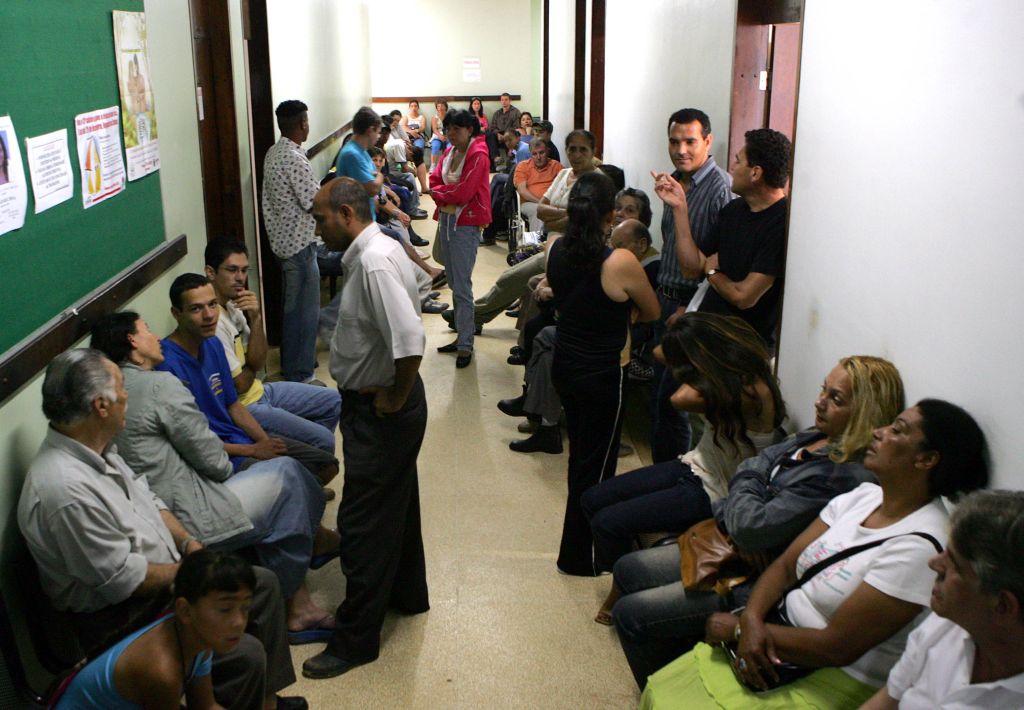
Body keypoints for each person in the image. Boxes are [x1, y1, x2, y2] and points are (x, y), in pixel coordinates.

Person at [640, 399, 990, 708]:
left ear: (926, 459)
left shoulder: (920, 545)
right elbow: (786, 567)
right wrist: (751, 619)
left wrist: (739, 629)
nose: (879, 432)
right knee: (662, 687)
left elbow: (836, 647)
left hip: (829, 676)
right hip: (772, 629)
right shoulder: (864, 496)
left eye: (897, 430)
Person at [17, 349, 306, 709]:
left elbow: (151, 500)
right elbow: (122, 580)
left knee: (260, 583)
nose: (126, 395)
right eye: (121, 388)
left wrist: (189, 544)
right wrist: (191, 573)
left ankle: (265, 701)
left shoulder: (97, 449)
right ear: (101, 405)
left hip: (159, 584)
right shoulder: (64, 489)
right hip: (122, 614)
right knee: (243, 652)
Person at [613, 356, 906, 688]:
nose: (819, 402)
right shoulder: (815, 436)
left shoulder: (844, 474)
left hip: (751, 577)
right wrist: (744, 498)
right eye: (823, 390)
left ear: (866, 412)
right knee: (629, 570)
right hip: (732, 542)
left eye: (835, 398)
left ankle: (664, 690)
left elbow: (753, 523)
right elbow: (750, 467)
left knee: (631, 615)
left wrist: (746, 494)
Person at [90, 311, 340, 644]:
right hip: (187, 515)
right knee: (287, 474)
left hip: (156, 514)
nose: (155, 336)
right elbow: (215, 463)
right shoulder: (160, 384)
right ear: (133, 342)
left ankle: (314, 548)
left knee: (287, 474)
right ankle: (300, 605)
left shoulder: (108, 395)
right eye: (147, 329)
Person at [302, 177, 429, 679]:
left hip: (382, 409)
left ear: (347, 215)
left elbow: (410, 337)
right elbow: (415, 297)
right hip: (384, 403)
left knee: (362, 525)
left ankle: (356, 640)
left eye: (320, 218)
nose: (317, 228)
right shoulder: (379, 249)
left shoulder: (373, 261)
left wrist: (394, 396)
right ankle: (407, 595)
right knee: (397, 503)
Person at [583, 313, 787, 583]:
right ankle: (631, 566)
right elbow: (659, 352)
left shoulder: (749, 390)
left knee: (607, 523)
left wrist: (693, 355)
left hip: (716, 491)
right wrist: (686, 342)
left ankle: (628, 581)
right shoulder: (730, 374)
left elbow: (680, 398)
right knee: (592, 499)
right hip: (695, 466)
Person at [546, 170, 660, 577]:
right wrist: (624, 314)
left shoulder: (556, 249)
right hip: (603, 374)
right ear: (610, 215)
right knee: (595, 466)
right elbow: (652, 310)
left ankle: (580, 548)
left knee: (581, 457)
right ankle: (582, 557)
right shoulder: (620, 261)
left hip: (566, 364)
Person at [860, 490, 1024, 709]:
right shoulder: (946, 626)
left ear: (1002, 606)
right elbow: (886, 702)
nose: (934, 563)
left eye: (954, 563)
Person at [440, 129, 600, 332]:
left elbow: (580, 222)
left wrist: (557, 216)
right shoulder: (562, 174)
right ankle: (472, 316)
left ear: (593, 151)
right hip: (548, 237)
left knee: (518, 277)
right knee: (509, 276)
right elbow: (541, 209)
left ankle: (470, 317)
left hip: (572, 250)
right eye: (572, 149)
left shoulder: (596, 182)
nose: (577, 155)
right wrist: (567, 213)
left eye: (583, 150)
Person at [54, 550, 257, 709]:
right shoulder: (161, 672)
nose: (239, 622)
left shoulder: (196, 638)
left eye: (246, 607)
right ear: (185, 610)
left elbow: (206, 706)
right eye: (225, 609)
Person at [648, 108, 735, 465]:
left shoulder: (721, 188)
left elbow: (723, 262)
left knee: (678, 405)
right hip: (665, 300)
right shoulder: (673, 182)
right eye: (674, 142)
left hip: (692, 309)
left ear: (708, 141)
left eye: (690, 142)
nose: (681, 150)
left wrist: (691, 308)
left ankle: (677, 476)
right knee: (662, 400)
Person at [654, 127, 792, 347]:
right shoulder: (734, 210)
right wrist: (680, 208)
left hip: (740, 346)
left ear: (755, 173)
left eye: (738, 161)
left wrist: (712, 272)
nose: (732, 167)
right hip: (708, 332)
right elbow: (691, 268)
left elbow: (743, 297)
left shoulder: (782, 222)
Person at [205, 238, 342, 455]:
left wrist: (256, 318)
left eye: (244, 270)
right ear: (210, 272)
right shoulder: (213, 322)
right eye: (232, 270)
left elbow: (259, 361)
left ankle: (307, 458)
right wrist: (251, 366)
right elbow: (240, 385)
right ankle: (310, 460)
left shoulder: (233, 306)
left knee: (333, 401)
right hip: (247, 407)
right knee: (323, 439)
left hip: (261, 389)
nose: (240, 278)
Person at [261, 100, 320, 383]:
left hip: (283, 244)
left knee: (293, 310)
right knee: (304, 314)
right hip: (299, 246)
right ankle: (301, 375)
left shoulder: (274, 152)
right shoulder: (293, 158)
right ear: (303, 124)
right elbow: (314, 201)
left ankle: (293, 364)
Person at [430, 108, 492, 368]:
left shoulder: (478, 155)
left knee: (462, 285)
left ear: (469, 129)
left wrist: (441, 193)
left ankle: (466, 344)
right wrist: (445, 192)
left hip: (466, 224)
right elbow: (434, 179)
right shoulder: (449, 152)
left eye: (457, 129)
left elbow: (465, 193)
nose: (451, 134)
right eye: (448, 129)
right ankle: (462, 335)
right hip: (446, 221)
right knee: (454, 281)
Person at [513, 138, 563, 232]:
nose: (538, 157)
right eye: (534, 154)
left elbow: (564, 186)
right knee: (539, 210)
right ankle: (537, 240)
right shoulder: (523, 166)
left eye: (541, 153)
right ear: (530, 154)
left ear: (547, 151)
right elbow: (522, 191)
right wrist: (541, 202)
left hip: (552, 203)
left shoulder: (556, 166)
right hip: (529, 203)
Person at [430, 99, 449, 168]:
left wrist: (447, 136)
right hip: (437, 136)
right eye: (438, 106)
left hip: (448, 137)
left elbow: (452, 128)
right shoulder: (434, 117)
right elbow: (434, 129)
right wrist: (440, 136)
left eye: (442, 106)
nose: (440, 108)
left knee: (450, 147)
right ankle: (433, 166)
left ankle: (448, 166)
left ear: (445, 107)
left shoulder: (450, 116)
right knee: (435, 146)